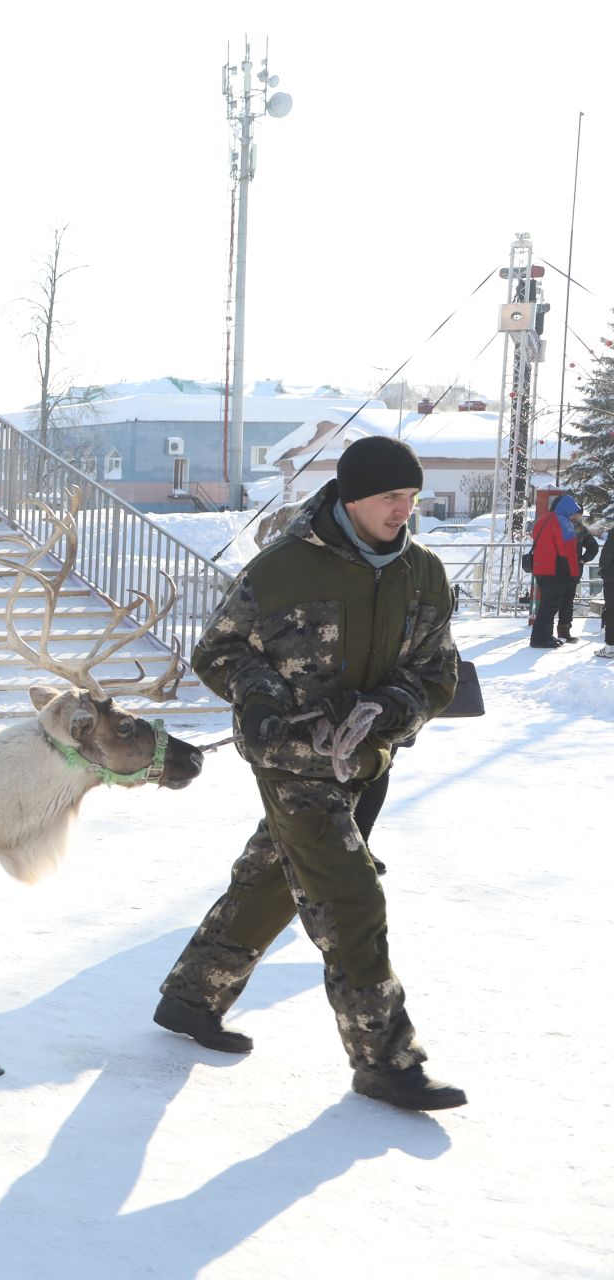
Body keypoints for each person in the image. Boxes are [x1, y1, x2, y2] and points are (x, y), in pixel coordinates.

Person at [155, 436, 466, 1112]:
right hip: (290, 759)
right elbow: (220, 650)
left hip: (365, 758)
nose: (403, 510)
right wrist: (265, 694)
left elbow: (438, 672)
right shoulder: (283, 569)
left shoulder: (423, 573)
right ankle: (386, 1061)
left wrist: (388, 704)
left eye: (410, 498)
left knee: (275, 874)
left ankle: (191, 997)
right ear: (352, 498)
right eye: (391, 497)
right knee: (349, 898)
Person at [528, 494, 587, 648]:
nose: (574, 515)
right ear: (567, 509)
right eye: (573, 512)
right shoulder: (563, 522)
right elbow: (567, 551)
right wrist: (574, 573)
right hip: (556, 570)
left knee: (546, 605)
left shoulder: (543, 519)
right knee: (549, 607)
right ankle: (539, 639)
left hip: (540, 568)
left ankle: (547, 636)